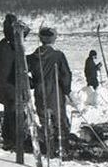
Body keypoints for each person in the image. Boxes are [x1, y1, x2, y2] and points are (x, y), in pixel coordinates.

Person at [26, 27, 73, 155]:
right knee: (60, 121)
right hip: (55, 93)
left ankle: (49, 149)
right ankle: (62, 149)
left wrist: (32, 83)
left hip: (40, 93)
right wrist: (67, 90)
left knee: (45, 121)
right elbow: (66, 75)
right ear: (53, 39)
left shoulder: (32, 57)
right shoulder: (58, 55)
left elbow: (23, 73)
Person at [0, 14, 29, 150]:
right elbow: (15, 69)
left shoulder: (4, 44)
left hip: (5, 86)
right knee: (14, 115)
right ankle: (14, 141)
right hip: (11, 87)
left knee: (9, 114)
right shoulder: (12, 46)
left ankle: (9, 140)